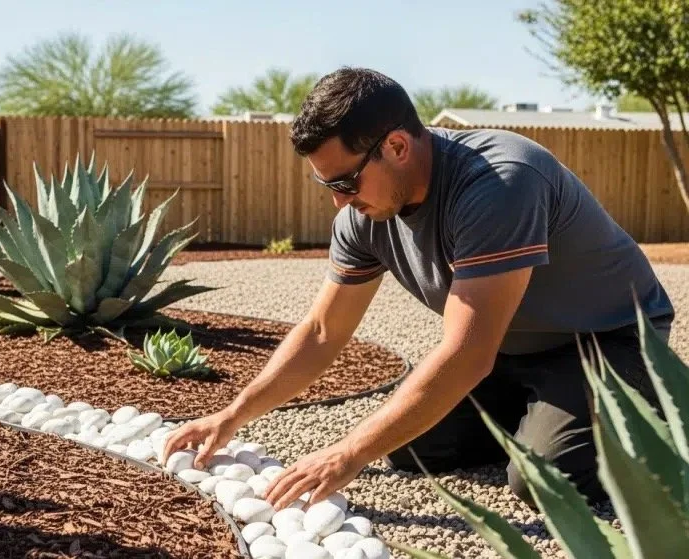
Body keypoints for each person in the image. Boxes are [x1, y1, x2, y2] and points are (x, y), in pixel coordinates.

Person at [161, 67, 675, 511]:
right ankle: (547, 417)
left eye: (345, 182)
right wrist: (230, 417)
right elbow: (321, 331)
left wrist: (346, 453)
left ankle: (650, 418)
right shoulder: (365, 216)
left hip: (604, 341)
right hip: (512, 350)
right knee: (414, 446)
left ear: (398, 146)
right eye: (328, 187)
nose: (340, 204)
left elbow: (469, 351)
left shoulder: (499, 182)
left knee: (546, 483)